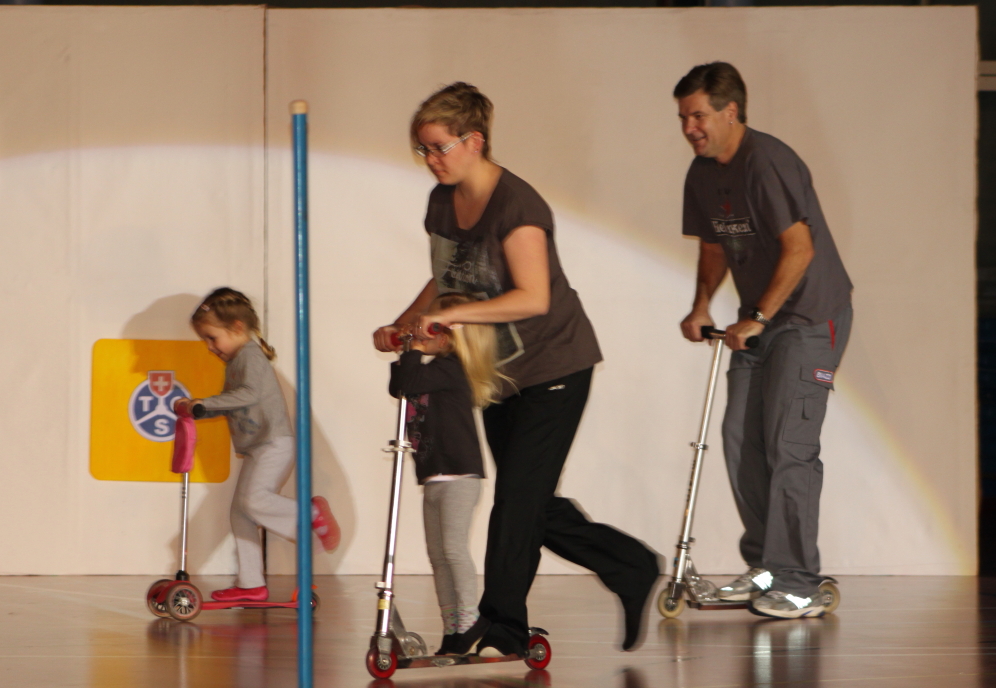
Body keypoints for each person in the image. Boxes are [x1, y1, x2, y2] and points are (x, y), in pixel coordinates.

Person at [373, 82, 660, 657]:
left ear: (474, 141)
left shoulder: (519, 207)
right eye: (422, 150)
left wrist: (453, 318)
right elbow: (449, 277)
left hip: (555, 366)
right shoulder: (442, 202)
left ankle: (502, 627)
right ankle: (631, 565)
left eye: (439, 147)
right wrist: (404, 324)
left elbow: (533, 297)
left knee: (515, 505)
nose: (430, 160)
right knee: (529, 506)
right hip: (499, 372)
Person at [675, 62, 853, 619]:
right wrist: (702, 305)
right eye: (683, 118)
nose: (689, 128)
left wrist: (756, 315)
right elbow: (713, 246)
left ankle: (800, 582)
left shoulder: (766, 161)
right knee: (740, 438)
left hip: (808, 319)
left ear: (730, 112)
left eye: (698, 116)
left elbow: (800, 249)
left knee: (788, 444)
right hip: (758, 321)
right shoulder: (702, 173)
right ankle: (769, 566)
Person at [177, 287, 341, 602]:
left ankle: (309, 514)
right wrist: (199, 409)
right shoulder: (236, 360)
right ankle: (251, 583)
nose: (210, 347)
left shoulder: (250, 355)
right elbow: (232, 402)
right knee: (241, 513)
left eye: (212, 338)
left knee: (254, 501)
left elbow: (248, 394)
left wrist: (203, 404)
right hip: (258, 446)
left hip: (273, 443)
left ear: (237, 327)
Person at [387, 293, 501, 656]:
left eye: (429, 327)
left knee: (453, 550)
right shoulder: (429, 370)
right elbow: (399, 386)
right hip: (434, 476)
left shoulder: (452, 367)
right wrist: (407, 346)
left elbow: (408, 381)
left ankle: (469, 620)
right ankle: (453, 627)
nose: (422, 333)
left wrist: (412, 349)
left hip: (459, 475)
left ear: (448, 336)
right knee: (437, 555)